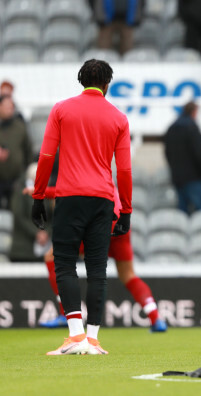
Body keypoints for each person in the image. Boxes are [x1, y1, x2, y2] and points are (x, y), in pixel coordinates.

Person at [31, 59, 133, 355]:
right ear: (107, 85)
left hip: (69, 197)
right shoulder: (118, 117)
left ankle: (75, 336)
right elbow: (124, 171)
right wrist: (125, 208)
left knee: (64, 264)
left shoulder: (61, 110)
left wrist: (38, 196)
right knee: (97, 269)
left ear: (81, 81)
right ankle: (93, 339)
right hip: (103, 199)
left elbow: (46, 156)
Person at [29, 185, 167, 333]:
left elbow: (68, 189)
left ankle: (65, 314)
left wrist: (41, 192)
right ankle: (156, 319)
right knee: (128, 275)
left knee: (52, 256)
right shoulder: (105, 173)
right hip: (119, 222)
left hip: (99, 221)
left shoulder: (86, 171)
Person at [164, 101, 201, 215]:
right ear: (194, 112)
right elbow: (200, 154)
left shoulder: (171, 128)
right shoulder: (192, 128)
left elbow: (167, 153)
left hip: (178, 178)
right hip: (194, 177)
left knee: (182, 213)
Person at [9, 164, 51, 262]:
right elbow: (19, 215)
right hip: (22, 250)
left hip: (45, 248)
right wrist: (37, 233)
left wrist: (46, 232)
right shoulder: (21, 191)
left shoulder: (47, 192)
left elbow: (53, 216)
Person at [0, 95, 32, 209]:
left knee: (15, 209)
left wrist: (24, 176)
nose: (10, 108)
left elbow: (28, 151)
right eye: (6, 105)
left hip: (16, 180)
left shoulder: (20, 127)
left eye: (11, 106)